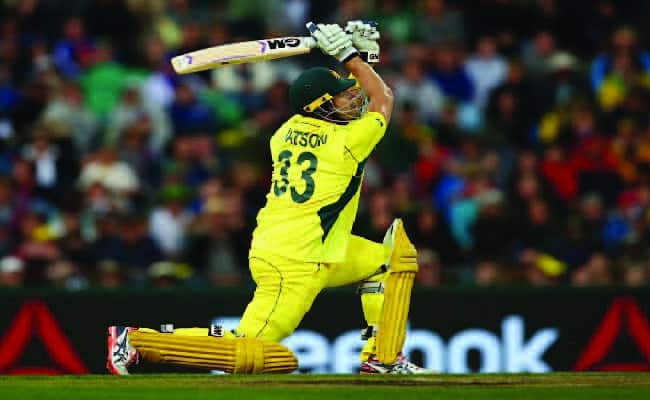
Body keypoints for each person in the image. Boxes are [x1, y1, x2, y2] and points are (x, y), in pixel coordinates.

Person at [107, 21, 429, 375]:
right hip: (295, 260)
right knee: (251, 349)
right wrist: (350, 56)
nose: (351, 101)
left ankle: (381, 356)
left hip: (309, 245)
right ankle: (136, 342)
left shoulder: (286, 130)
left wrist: (361, 56)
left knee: (390, 260)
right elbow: (381, 98)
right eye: (340, 98)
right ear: (321, 107)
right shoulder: (347, 142)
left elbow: (360, 94)